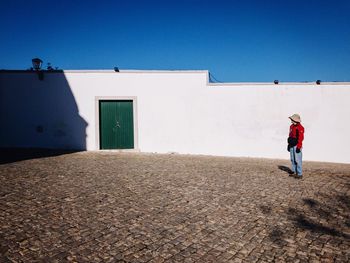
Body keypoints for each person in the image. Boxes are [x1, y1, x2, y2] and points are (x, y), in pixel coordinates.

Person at [287, 114, 304, 179]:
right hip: (291, 144)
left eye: (292, 120)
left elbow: (301, 138)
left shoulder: (300, 128)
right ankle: (294, 171)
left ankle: (299, 173)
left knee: (298, 160)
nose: (291, 121)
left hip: (297, 145)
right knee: (292, 159)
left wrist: (299, 147)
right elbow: (290, 135)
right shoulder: (291, 126)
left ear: (296, 121)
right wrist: (288, 144)